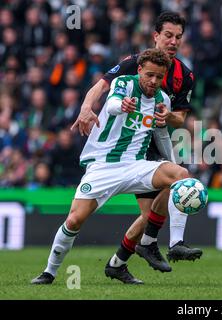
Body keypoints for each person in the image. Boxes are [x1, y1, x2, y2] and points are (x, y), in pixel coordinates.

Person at [31, 48, 191, 285]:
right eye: (149, 75)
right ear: (139, 71)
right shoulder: (124, 84)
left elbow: (162, 137)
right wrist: (120, 105)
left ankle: (175, 243)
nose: (153, 81)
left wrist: (170, 162)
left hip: (136, 165)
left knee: (180, 176)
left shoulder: (163, 100)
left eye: (159, 77)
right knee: (74, 220)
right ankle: (49, 272)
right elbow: (114, 102)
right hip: (104, 166)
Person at [70, 12, 200, 284]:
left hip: (156, 141)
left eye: (178, 36)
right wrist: (85, 108)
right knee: (152, 210)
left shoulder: (185, 76)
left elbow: (181, 118)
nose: (173, 41)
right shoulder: (136, 63)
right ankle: (151, 246)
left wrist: (168, 115)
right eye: (168, 35)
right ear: (156, 36)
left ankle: (126, 259)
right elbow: (101, 86)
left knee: (158, 205)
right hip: (128, 145)